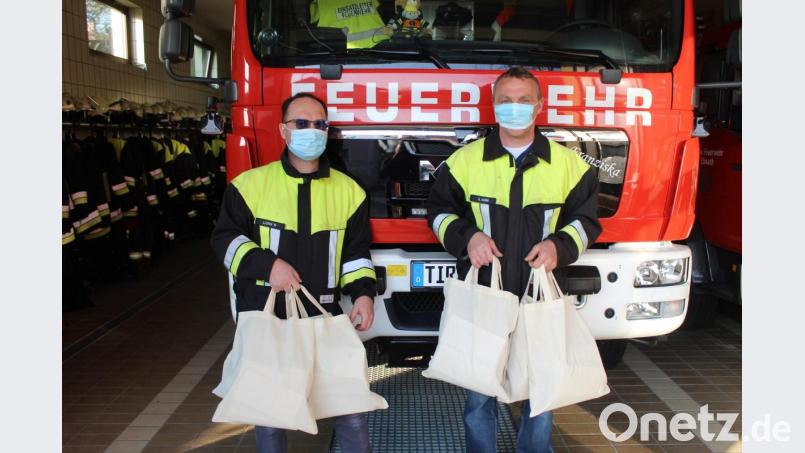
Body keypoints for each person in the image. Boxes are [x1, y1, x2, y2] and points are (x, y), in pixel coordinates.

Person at [426, 66, 602, 453]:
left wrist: (559, 247)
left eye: (524, 100)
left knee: (541, 391)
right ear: (493, 106)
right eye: (506, 101)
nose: (515, 108)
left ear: (539, 106)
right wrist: (468, 237)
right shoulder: (464, 161)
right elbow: (438, 213)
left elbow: (587, 222)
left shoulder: (570, 166)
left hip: (541, 296)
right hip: (484, 295)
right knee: (479, 394)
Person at [211, 92, 377, 453]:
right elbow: (225, 240)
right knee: (271, 417)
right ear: (283, 130)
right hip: (269, 318)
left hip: (326, 318)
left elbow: (355, 254)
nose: (311, 130)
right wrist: (268, 265)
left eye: (319, 124)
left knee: (351, 410)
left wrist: (364, 294)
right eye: (301, 123)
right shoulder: (250, 185)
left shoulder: (349, 191)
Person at [310, 0, 390, 48]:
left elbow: (311, 20)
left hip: (341, 52)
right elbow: (377, 6)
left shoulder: (321, 2)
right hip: (379, 45)